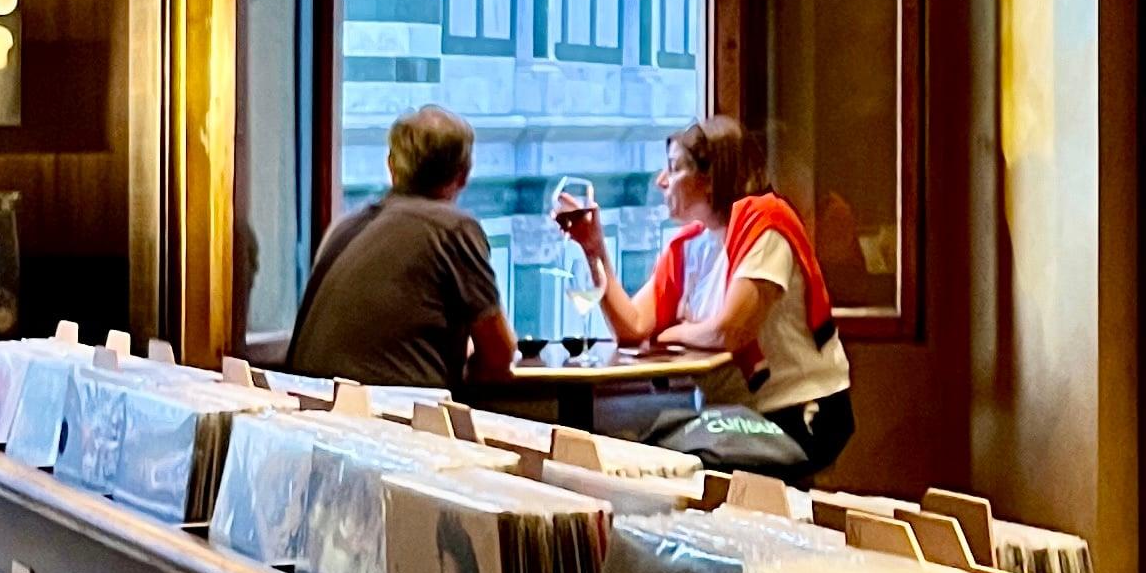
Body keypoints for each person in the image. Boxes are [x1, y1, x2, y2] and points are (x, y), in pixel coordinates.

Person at [555, 116, 855, 477]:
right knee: (646, 454)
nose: (661, 181)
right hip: (734, 416)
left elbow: (729, 332)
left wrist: (675, 332)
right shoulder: (688, 247)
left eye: (674, 168)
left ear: (710, 179)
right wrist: (594, 250)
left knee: (673, 465)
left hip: (798, 412)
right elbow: (633, 327)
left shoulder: (766, 223)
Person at [285, 107, 518, 397]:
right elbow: (499, 354)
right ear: (463, 175)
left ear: (391, 167)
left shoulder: (344, 227)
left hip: (311, 410)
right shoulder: (453, 229)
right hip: (390, 419)